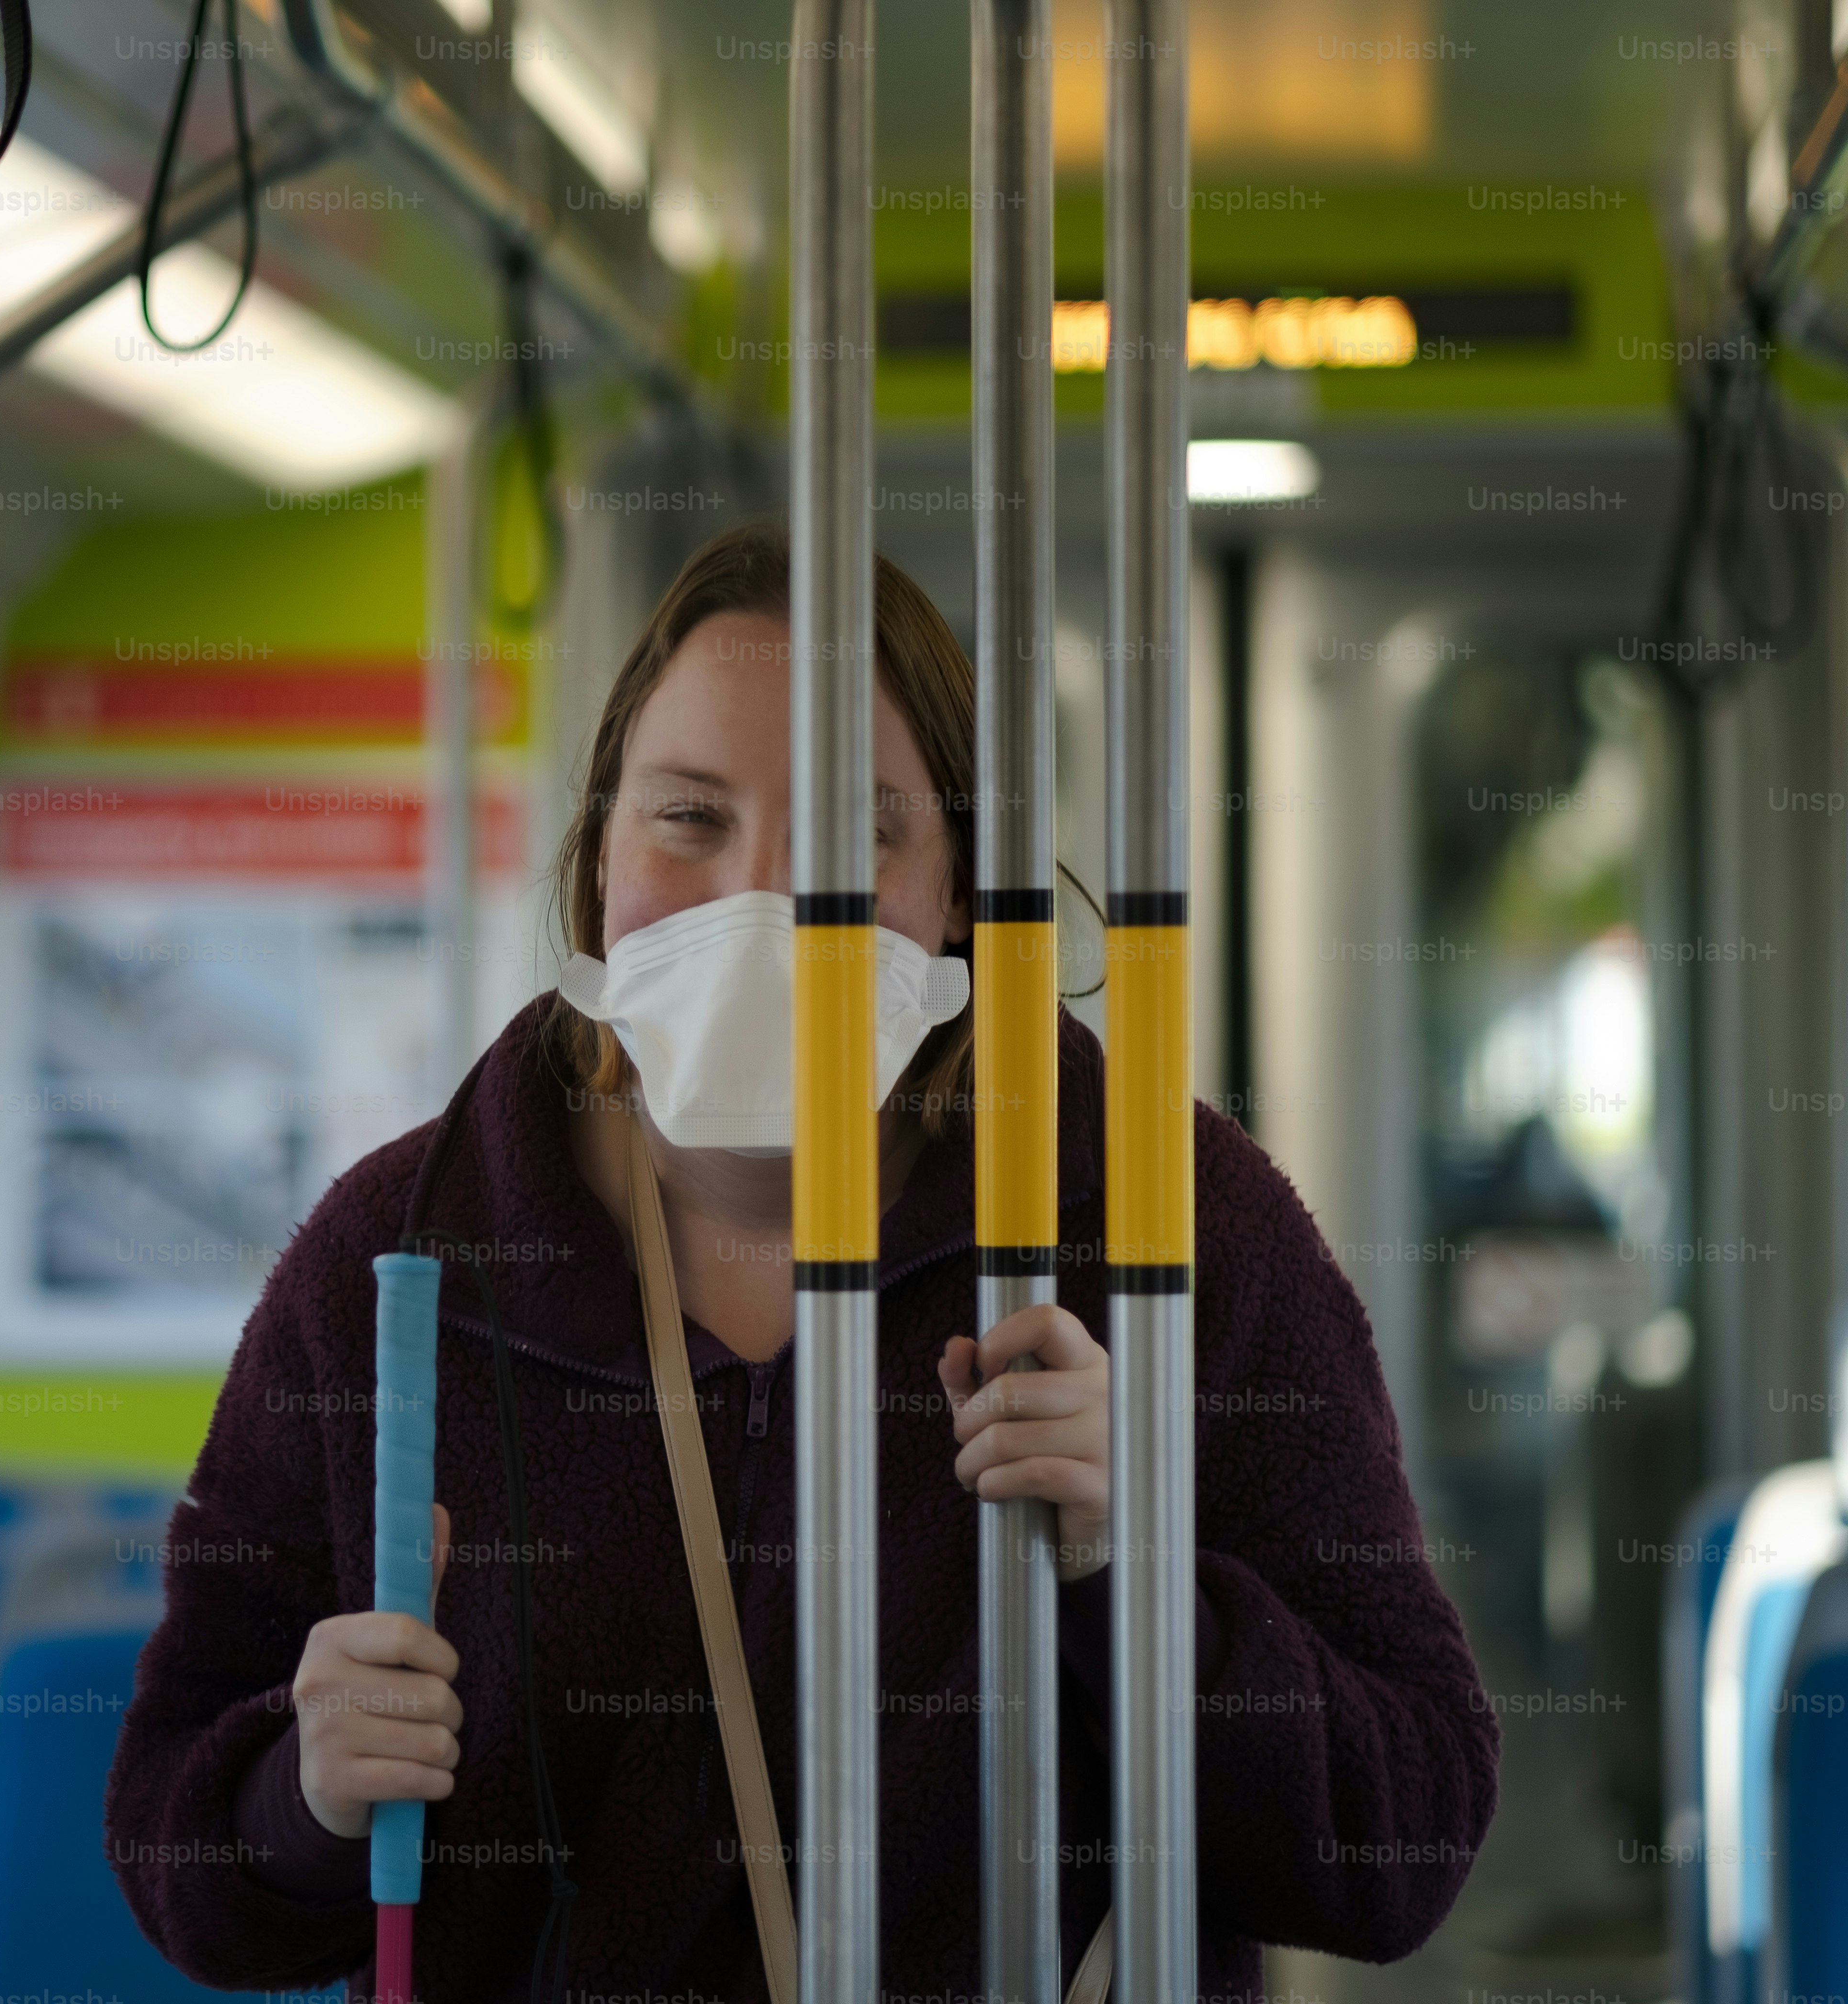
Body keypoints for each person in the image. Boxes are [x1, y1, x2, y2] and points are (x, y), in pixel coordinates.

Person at [104, 522, 1498, 2002]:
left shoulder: (1162, 1221)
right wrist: (308, 1797)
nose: (764, 902)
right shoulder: (399, 1263)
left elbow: (1402, 1836)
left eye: (852, 835)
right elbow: (178, 1852)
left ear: (960, 888)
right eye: (690, 819)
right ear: (596, 865)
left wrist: (1135, 1576)